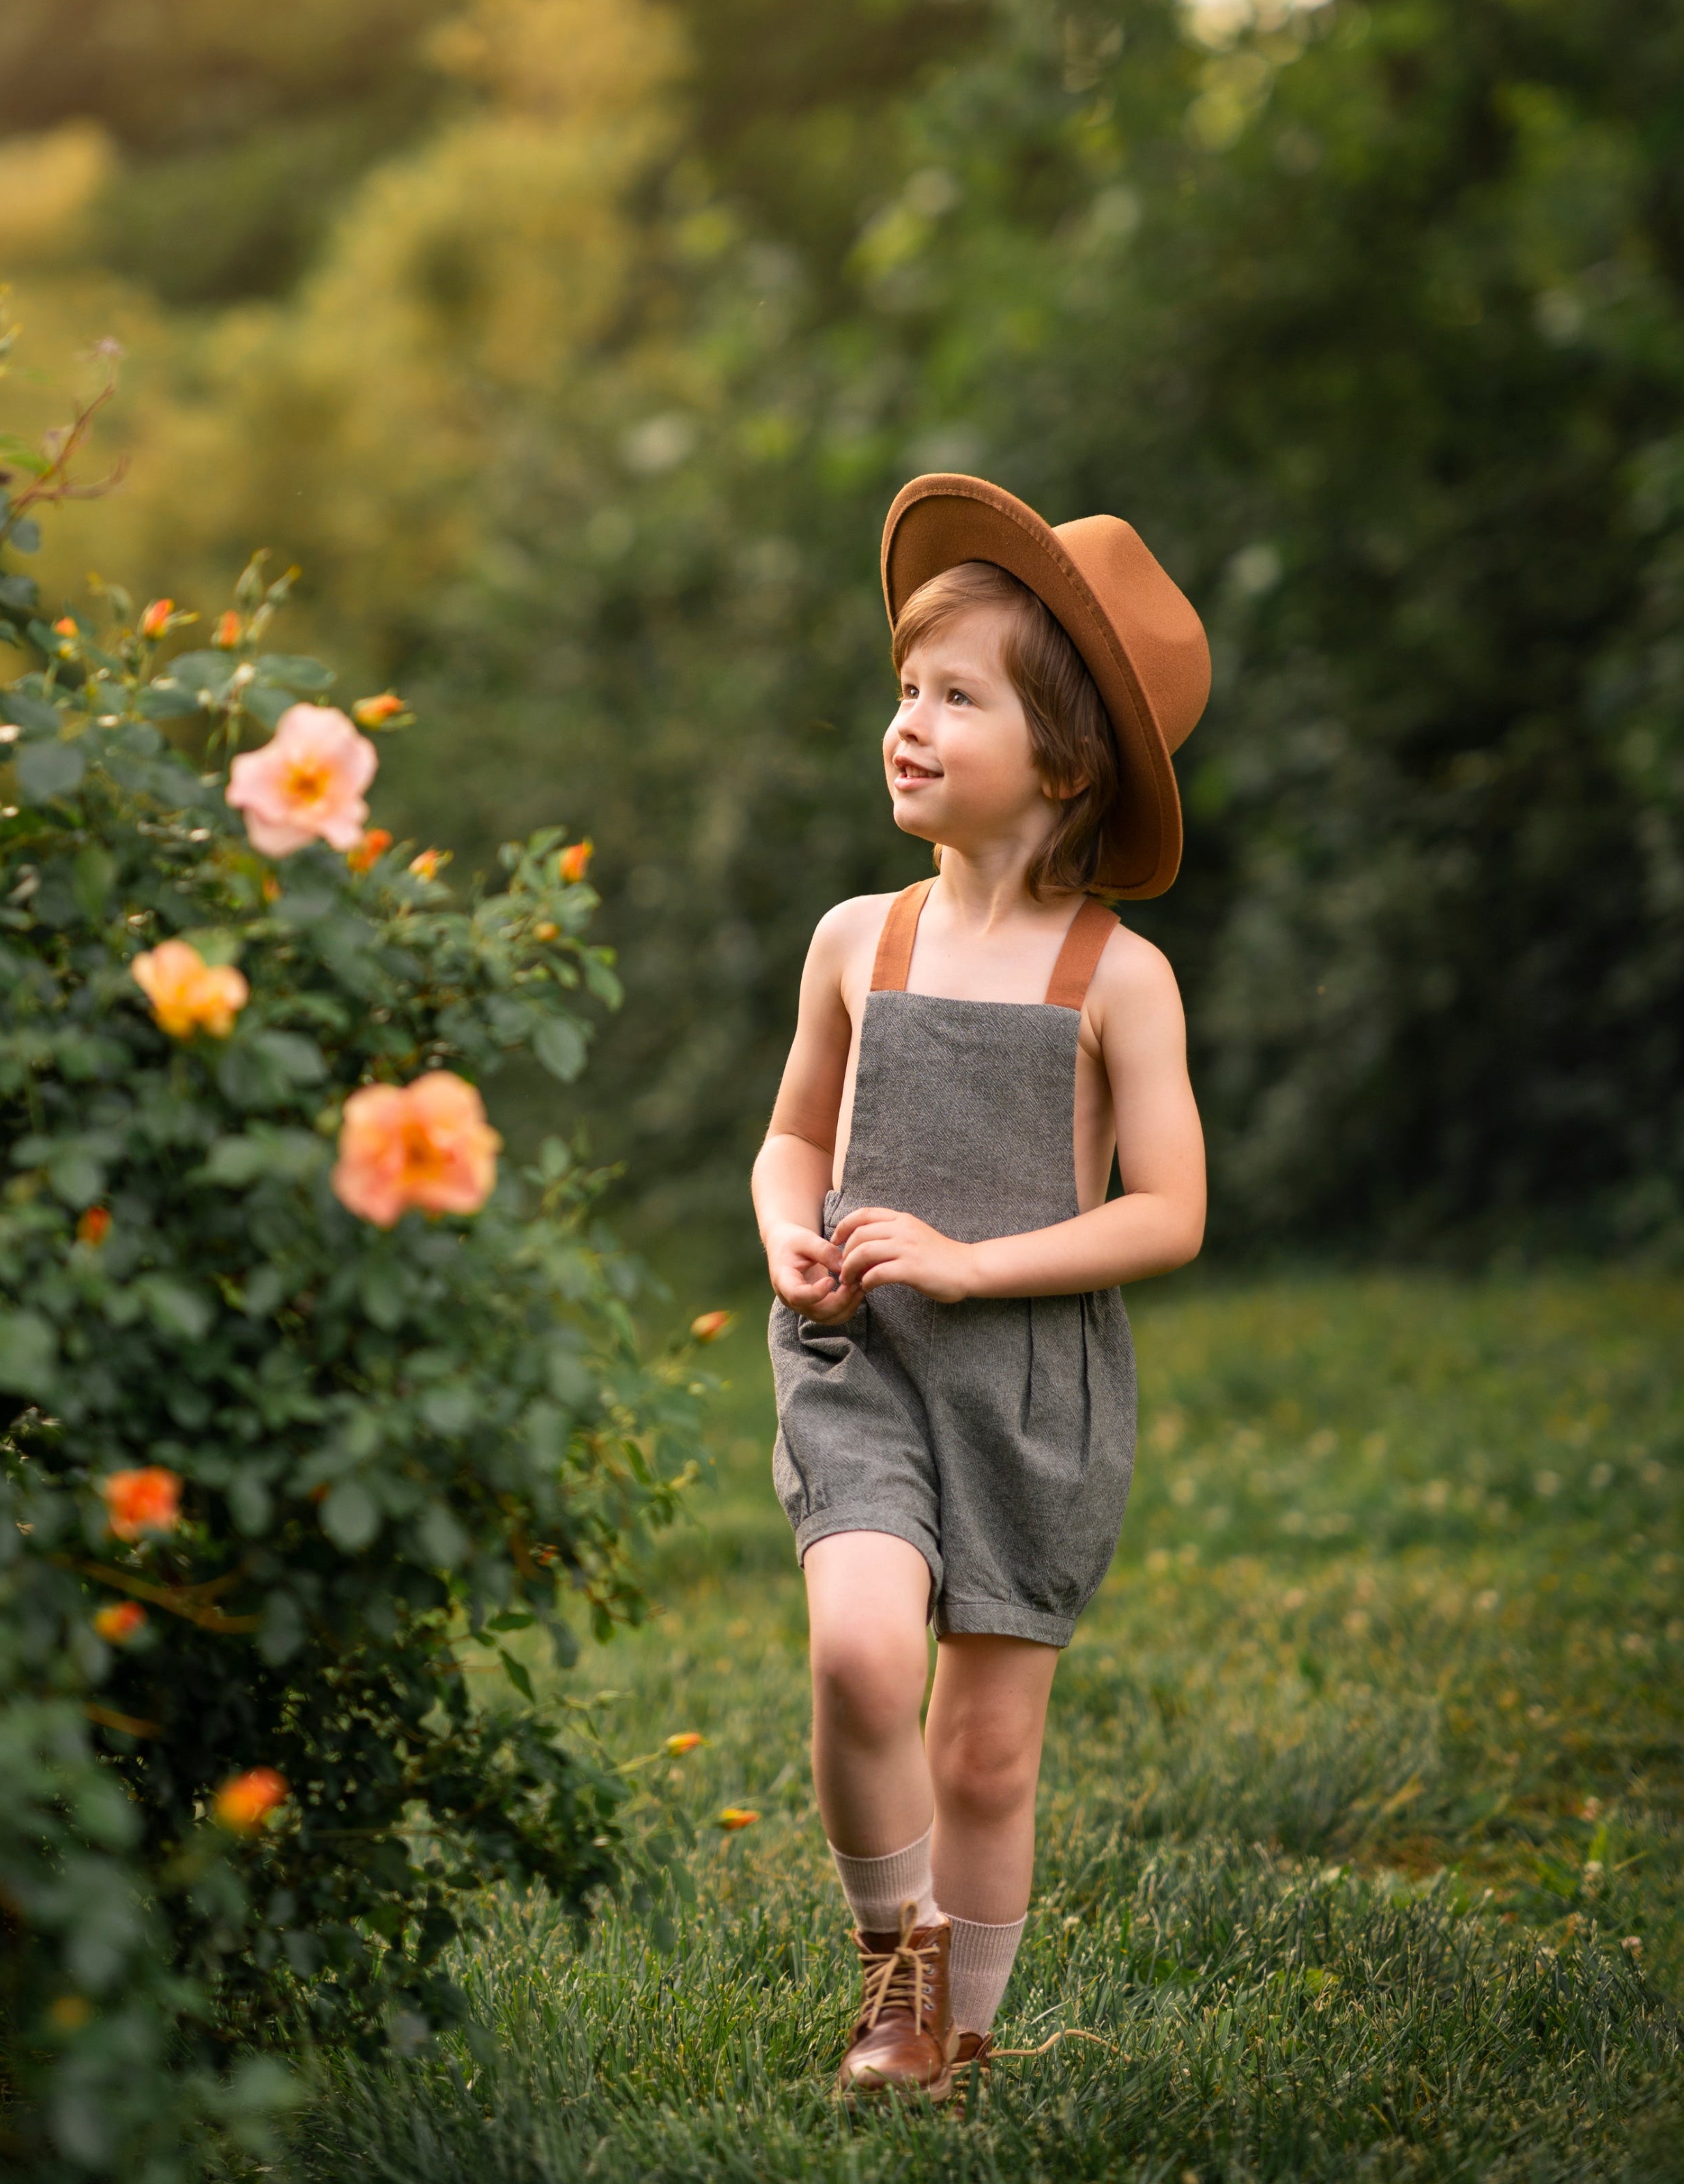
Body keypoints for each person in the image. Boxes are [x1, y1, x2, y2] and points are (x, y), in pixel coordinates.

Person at [752, 475, 1210, 2106]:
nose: (906, 722)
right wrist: (783, 1228)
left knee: (985, 1748)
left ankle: (963, 2046)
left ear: (1063, 756)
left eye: (957, 697)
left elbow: (1171, 1211)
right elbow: (792, 1134)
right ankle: (894, 1985)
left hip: (1029, 1387)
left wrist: (969, 1258)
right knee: (865, 1657)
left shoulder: (1118, 978)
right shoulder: (853, 940)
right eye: (903, 689)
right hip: (860, 1352)